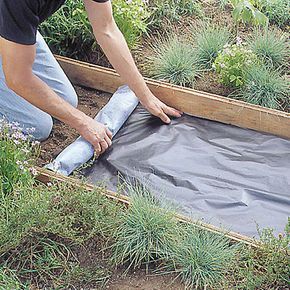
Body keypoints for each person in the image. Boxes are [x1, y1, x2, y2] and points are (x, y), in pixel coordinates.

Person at [0, 0, 182, 154]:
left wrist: (146, 96)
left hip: (9, 30)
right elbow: (18, 79)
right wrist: (83, 123)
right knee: (37, 126)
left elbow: (107, 29)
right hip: (8, 23)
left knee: (66, 100)